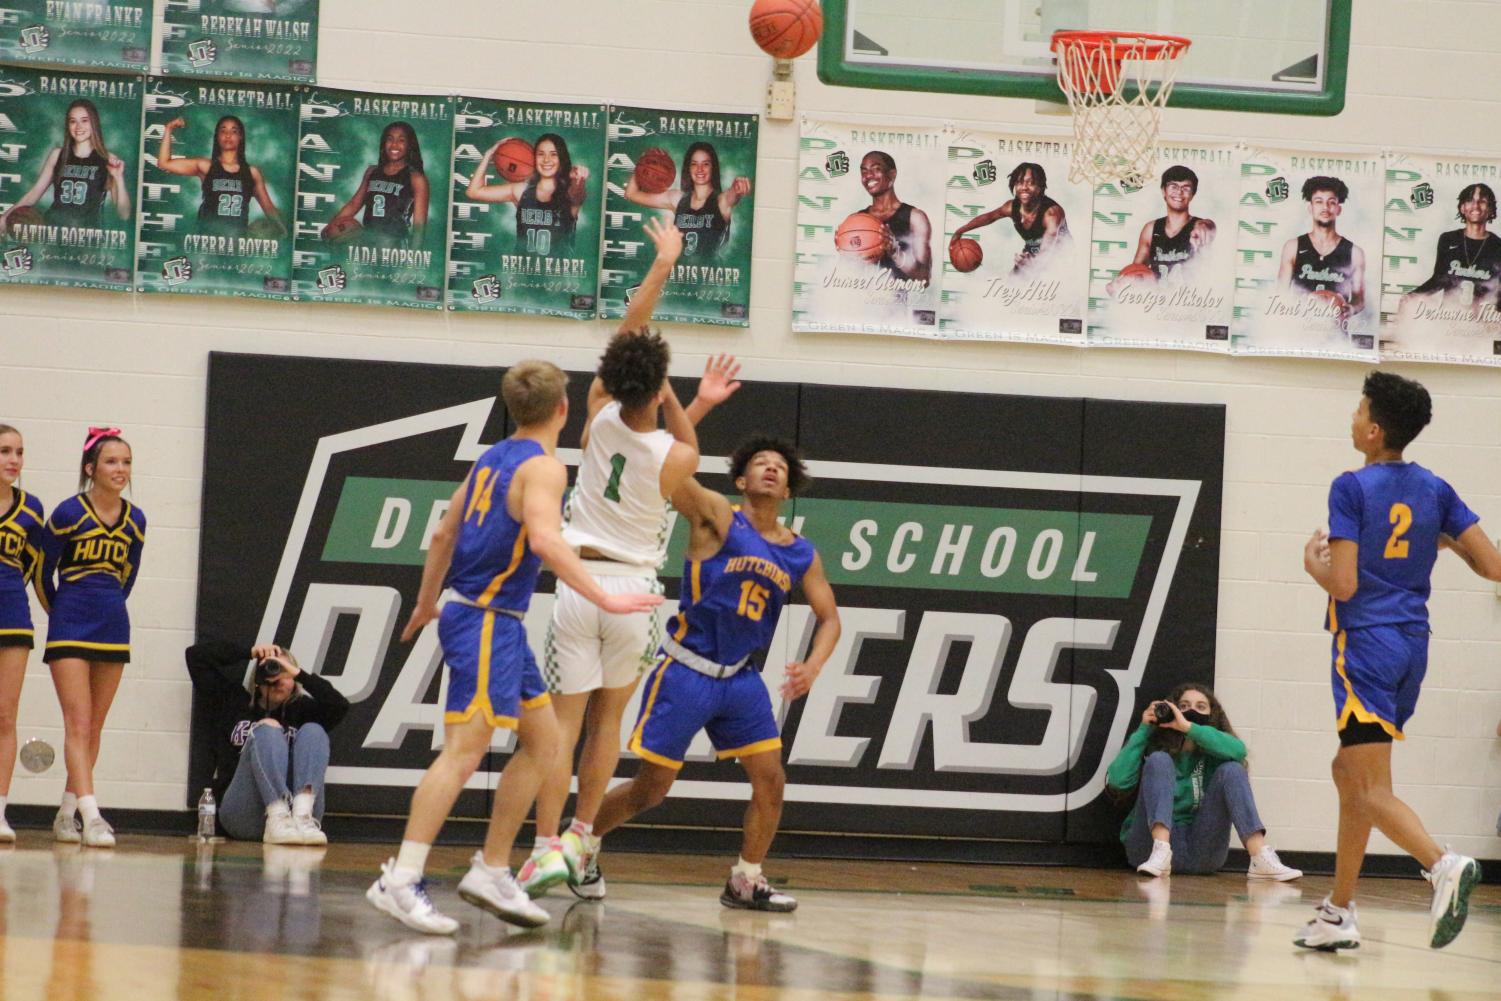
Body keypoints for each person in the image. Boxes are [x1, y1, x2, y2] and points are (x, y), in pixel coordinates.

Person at [365, 361, 663, 935]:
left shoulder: (491, 457)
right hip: (483, 620)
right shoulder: (544, 468)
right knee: (462, 753)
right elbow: (548, 539)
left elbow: (442, 534)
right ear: (562, 409)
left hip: (492, 621)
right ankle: (399, 879)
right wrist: (605, 594)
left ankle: (492, 868)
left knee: (546, 741)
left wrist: (428, 602)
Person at [519, 222, 741, 901]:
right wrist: (688, 398)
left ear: (615, 383)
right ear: (659, 387)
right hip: (635, 594)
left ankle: (542, 849)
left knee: (562, 725)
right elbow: (679, 435)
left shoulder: (594, 415)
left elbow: (630, 332)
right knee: (608, 727)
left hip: (581, 582)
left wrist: (662, 262)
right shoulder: (679, 457)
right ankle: (584, 846)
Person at [590, 437, 841, 912]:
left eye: (780, 467)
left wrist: (812, 666)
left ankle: (746, 879)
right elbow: (670, 478)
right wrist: (654, 424)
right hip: (687, 668)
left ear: (788, 489)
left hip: (741, 680)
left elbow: (830, 618)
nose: (771, 468)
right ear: (742, 481)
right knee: (652, 789)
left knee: (771, 780)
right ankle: (582, 845)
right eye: (760, 464)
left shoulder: (801, 553)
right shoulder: (718, 515)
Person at [1297, 370, 1501, 952]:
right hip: (1414, 646)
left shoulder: (1350, 487)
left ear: (1374, 430)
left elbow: (1343, 583)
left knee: (1370, 786)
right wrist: (1440, 542)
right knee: (1348, 773)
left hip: (1365, 646)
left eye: (1359, 412)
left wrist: (1311, 566)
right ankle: (1338, 912)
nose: (1352, 419)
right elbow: (1493, 566)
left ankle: (1442, 865)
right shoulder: (1434, 487)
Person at [43, 428, 146, 849]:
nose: (120, 469)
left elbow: (129, 574)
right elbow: (41, 566)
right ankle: (93, 814)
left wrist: (108, 606)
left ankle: (67, 814)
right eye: (111, 462)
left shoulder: (136, 519)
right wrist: (59, 609)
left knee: (95, 726)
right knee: (77, 722)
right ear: (91, 469)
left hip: (112, 625)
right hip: (69, 621)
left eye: (125, 462)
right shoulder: (69, 512)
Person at [1105, 682, 1301, 881]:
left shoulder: (1217, 751)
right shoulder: (1157, 747)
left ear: (1212, 715)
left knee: (1233, 769)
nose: (1191, 710)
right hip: (1147, 850)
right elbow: (1118, 781)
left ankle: (1260, 856)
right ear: (1172, 710)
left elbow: (1239, 751)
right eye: (1184, 706)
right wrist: (1145, 730)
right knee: (1159, 759)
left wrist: (1189, 727)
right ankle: (1161, 850)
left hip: (1202, 851)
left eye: (1200, 707)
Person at [184, 639, 350, 845]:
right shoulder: (233, 702)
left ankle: (302, 812)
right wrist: (249, 651)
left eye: (284, 672)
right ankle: (276, 810)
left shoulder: (303, 709)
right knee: (268, 729)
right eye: (273, 669)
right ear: (258, 678)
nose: (278, 678)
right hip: (245, 815)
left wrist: (299, 674)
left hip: (298, 823)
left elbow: (339, 705)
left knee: (315, 731)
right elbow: (196, 657)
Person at [0, 425, 49, 841]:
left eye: (18, 451)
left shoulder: (32, 509)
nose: (13, 459)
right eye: (4, 451)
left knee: (4, 715)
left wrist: (60, 615)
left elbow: (36, 573)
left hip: (13, 617)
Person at [0, 99, 131, 231]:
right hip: (53, 232)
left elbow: (124, 214)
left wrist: (119, 178)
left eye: (84, 120)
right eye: (73, 121)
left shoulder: (107, 159)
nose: (78, 127)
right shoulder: (57, 155)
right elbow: (34, 193)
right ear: (68, 125)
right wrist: (5, 218)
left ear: (94, 123)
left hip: (88, 237)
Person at [157, 114, 284, 237]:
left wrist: (283, 231)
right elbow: (164, 163)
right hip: (207, 240)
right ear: (217, 136)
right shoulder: (206, 166)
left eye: (234, 131)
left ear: (240, 137)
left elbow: (269, 209)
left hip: (237, 241)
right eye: (223, 131)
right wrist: (169, 128)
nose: (228, 135)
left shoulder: (252, 173)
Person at [625, 142, 751, 261]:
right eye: (694, 164)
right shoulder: (677, 199)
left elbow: (733, 195)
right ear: (688, 168)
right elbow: (632, 194)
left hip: (710, 278)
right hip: (678, 277)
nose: (700, 169)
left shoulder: (721, 201)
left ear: (713, 168)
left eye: (706, 164)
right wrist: (643, 162)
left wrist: (737, 187)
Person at [468, 133, 587, 257]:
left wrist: (579, 180)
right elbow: (474, 192)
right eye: (541, 154)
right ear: (533, 158)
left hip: (558, 273)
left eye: (554, 154)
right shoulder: (521, 190)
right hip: (523, 273)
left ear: (561, 158)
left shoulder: (569, 191)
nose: (546, 160)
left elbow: (577, 197)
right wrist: (489, 155)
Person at [1108, 165, 1216, 294]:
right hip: (1156, 305)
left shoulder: (1200, 228)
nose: (1179, 192)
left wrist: (1208, 225)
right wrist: (1121, 284)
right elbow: (1136, 270)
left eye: (1186, 188)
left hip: (1190, 304)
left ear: (1193, 194)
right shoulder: (1150, 229)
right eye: (1173, 186)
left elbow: (1211, 228)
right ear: (1163, 191)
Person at [950, 162, 1068, 275]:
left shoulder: (1052, 214)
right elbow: (989, 217)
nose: (1024, 187)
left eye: (1031, 183)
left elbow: (1048, 247)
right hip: (1032, 253)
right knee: (1011, 283)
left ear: (1040, 188)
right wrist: (960, 231)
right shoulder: (1012, 207)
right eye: (1019, 183)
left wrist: (1032, 264)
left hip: (1059, 258)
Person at [323, 122, 428, 247]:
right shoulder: (372, 171)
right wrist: (331, 226)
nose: (394, 144)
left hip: (395, 245)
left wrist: (413, 259)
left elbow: (419, 226)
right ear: (384, 143)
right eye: (390, 139)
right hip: (367, 243)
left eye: (401, 140)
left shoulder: (416, 178)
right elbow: (354, 204)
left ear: (410, 145)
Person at [1277, 176, 1365, 323]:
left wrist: (1349, 309)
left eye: (1331, 202)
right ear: (1310, 208)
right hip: (1299, 330)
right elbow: (1280, 295)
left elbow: (1359, 300)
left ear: (1338, 209)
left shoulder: (1355, 252)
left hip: (1336, 334)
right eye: (1319, 202)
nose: (1325, 207)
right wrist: (1294, 307)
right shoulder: (1293, 247)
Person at [1402, 183, 1501, 310]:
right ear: (1462, 208)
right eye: (1470, 200)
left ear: (1490, 209)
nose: (1475, 206)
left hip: (1483, 320)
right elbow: (1439, 280)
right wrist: (1412, 296)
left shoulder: (1498, 246)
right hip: (1450, 317)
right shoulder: (1448, 239)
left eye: (1482, 201)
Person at [851, 151, 931, 283]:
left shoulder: (915, 218)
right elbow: (849, 273)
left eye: (876, 169)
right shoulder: (856, 220)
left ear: (892, 174)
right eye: (864, 171)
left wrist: (896, 253)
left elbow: (924, 279)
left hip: (895, 302)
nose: (868, 175)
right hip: (860, 301)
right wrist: (845, 249)